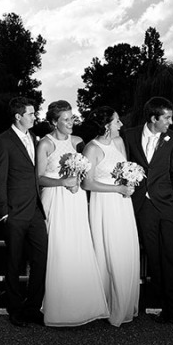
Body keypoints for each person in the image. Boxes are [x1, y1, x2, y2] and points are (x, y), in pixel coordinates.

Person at [122, 96, 173, 330]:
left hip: (168, 206)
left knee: (171, 257)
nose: (171, 121)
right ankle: (167, 309)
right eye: (166, 117)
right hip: (143, 206)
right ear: (153, 118)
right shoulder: (129, 135)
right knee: (154, 258)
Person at [37, 100, 109, 327]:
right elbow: (38, 178)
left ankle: (82, 306)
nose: (71, 123)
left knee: (78, 247)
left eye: (72, 118)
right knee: (57, 249)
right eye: (66, 119)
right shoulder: (45, 145)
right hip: (55, 199)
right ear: (54, 122)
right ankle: (57, 308)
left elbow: (87, 170)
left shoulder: (78, 142)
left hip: (76, 199)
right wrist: (61, 181)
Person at [0, 97, 48, 327]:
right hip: (13, 212)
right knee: (13, 263)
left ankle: (33, 308)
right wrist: (3, 211)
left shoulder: (35, 139)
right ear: (18, 116)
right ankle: (15, 310)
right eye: (31, 114)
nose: (35, 117)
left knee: (42, 259)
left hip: (35, 210)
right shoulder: (2, 142)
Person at [82, 106, 140, 326]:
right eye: (117, 121)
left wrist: (130, 181)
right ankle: (105, 304)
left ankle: (123, 303)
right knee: (108, 250)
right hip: (104, 204)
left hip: (123, 204)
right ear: (107, 125)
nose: (121, 125)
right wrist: (117, 189)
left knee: (125, 248)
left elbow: (126, 169)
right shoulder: (92, 148)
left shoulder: (119, 143)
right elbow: (87, 183)